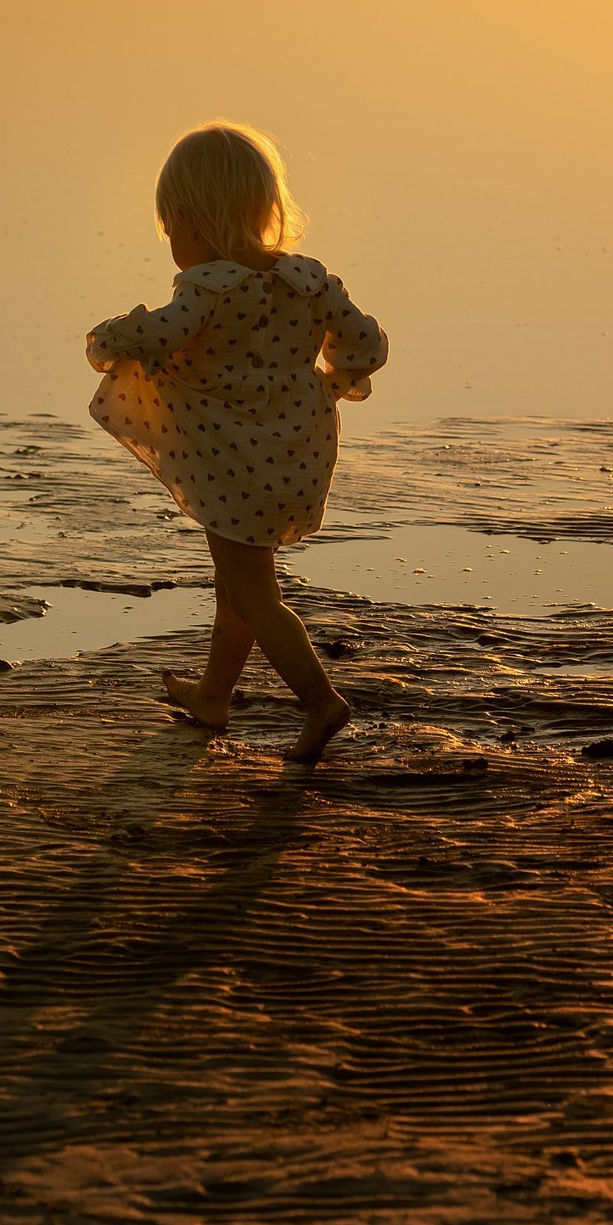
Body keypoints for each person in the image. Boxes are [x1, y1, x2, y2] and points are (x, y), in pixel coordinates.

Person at [86, 123, 387, 762]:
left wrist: (109, 335)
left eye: (170, 230)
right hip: (299, 452)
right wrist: (332, 381)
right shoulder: (309, 281)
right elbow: (367, 345)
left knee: (253, 589)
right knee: (239, 581)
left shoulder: (208, 287)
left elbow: (151, 339)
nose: (172, 242)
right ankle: (214, 696)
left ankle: (320, 700)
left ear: (189, 220)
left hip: (232, 462)